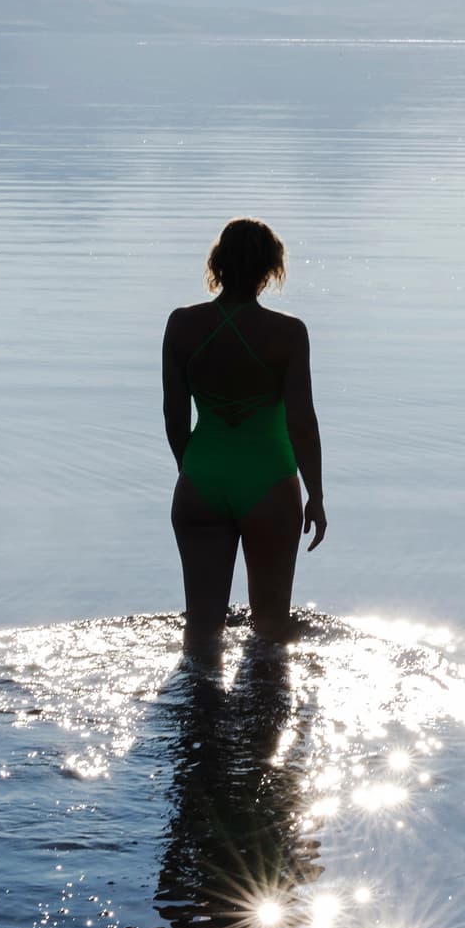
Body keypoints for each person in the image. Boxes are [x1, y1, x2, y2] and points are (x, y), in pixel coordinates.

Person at [164, 217, 325, 655]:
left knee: (200, 634)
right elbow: (301, 422)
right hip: (269, 481)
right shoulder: (289, 334)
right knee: (272, 632)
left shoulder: (181, 326)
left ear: (217, 264)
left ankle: (199, 717)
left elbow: (174, 416)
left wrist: (195, 471)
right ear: (271, 270)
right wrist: (317, 495)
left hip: (202, 477)